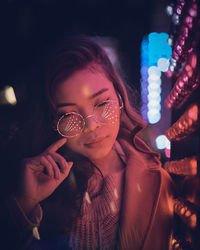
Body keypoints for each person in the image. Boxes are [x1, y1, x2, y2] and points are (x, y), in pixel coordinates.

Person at [0, 36, 174, 250]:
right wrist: (24, 203)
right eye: (69, 115)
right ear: (52, 121)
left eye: (101, 103)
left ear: (119, 97)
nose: (91, 126)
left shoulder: (158, 182)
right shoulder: (30, 183)